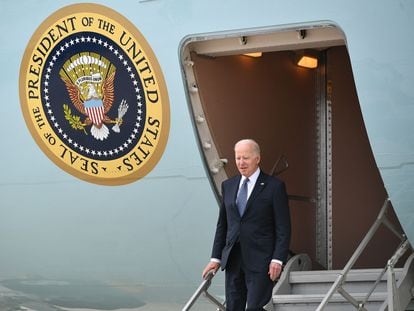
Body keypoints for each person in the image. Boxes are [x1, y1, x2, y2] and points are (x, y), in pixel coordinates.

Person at [202, 139, 291, 311]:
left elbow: (283, 227)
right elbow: (223, 225)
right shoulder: (228, 186)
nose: (241, 163)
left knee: (254, 308)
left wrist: (278, 259)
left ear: (257, 159)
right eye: (238, 158)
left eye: (246, 158)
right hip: (234, 259)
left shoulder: (274, 187)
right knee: (233, 307)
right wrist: (215, 258)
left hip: (261, 261)